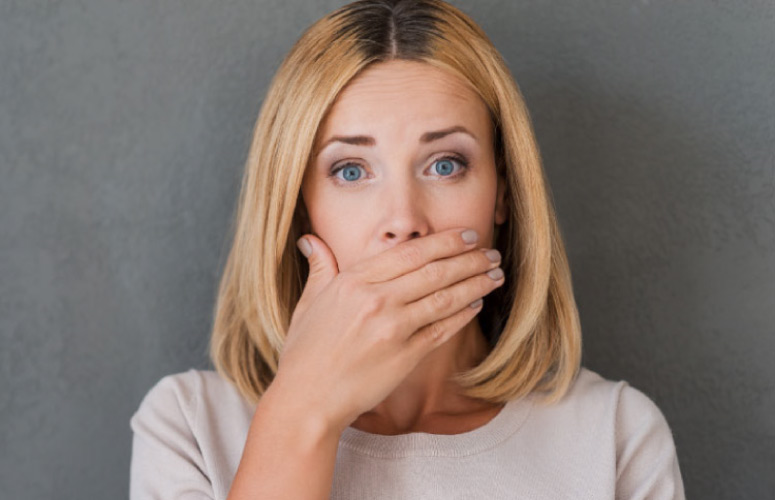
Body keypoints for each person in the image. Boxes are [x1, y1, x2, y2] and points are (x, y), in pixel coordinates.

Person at [129, 0, 686, 498]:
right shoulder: (190, 428)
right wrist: (301, 413)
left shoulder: (614, 436)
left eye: (445, 165)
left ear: (504, 195)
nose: (403, 222)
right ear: (299, 208)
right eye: (351, 170)